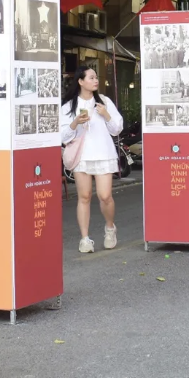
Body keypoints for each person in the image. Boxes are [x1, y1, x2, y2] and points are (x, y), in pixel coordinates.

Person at [60, 66, 124, 254]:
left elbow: (117, 128)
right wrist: (75, 123)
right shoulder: (69, 106)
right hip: (82, 156)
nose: (96, 80)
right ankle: (85, 238)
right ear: (81, 81)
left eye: (96, 77)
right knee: (84, 197)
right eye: (91, 77)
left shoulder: (104, 102)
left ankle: (110, 228)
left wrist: (106, 115)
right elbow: (63, 136)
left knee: (105, 196)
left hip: (103, 153)